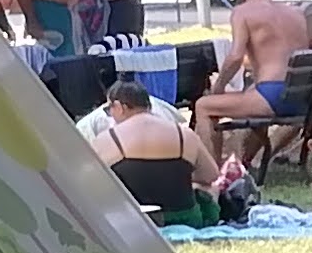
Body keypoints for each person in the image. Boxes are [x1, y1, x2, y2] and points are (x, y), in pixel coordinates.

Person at [196, 0, 312, 131]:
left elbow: (236, 57)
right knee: (251, 94)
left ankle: (207, 150)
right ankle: (254, 150)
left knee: (204, 106)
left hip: (272, 94)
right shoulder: (297, 13)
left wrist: (219, 86)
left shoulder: (242, 13)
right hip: (303, 94)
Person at [79, 78, 222, 196]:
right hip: (182, 214)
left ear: (119, 107)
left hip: (135, 215)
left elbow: (90, 182)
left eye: (108, 109)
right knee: (209, 190)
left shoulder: (108, 139)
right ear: (149, 105)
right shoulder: (184, 134)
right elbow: (211, 175)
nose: (110, 114)